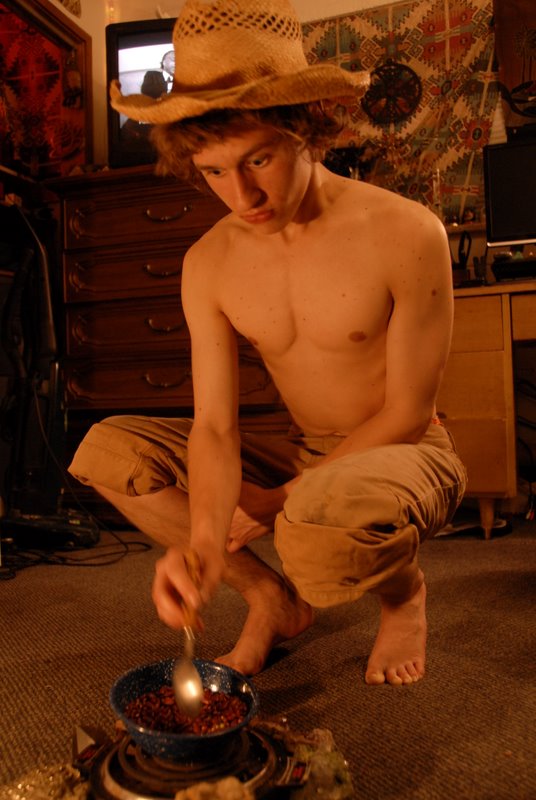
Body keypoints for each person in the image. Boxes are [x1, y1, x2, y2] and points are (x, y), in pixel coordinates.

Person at [70, 0, 467, 686]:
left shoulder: (406, 232)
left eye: (259, 159)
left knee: (314, 518)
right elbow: (215, 428)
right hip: (300, 444)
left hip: (407, 448)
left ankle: (404, 593)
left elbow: (407, 413)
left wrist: (273, 500)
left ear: (307, 130)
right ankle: (270, 599)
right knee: (108, 453)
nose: (241, 195)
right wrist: (203, 544)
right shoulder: (209, 262)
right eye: (214, 171)